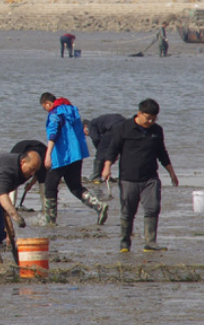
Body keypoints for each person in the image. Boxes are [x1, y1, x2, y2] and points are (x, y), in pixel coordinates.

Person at [101, 98, 179, 252]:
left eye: (154, 118)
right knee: (128, 212)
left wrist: (171, 173)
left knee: (153, 208)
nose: (150, 121)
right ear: (139, 113)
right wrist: (107, 167)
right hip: (128, 178)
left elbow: (162, 153)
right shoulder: (123, 128)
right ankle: (124, 243)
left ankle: (150, 243)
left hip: (150, 178)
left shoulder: (157, 131)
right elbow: (113, 149)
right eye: (148, 118)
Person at [39, 93, 108, 226]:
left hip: (62, 156)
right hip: (76, 154)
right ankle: (99, 205)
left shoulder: (55, 113)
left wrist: (48, 154)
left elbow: (53, 133)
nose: (46, 110)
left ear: (48, 103)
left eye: (44, 108)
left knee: (50, 187)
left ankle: (50, 221)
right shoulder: (72, 110)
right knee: (75, 186)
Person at [84, 113, 126, 182]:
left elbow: (95, 139)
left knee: (101, 152)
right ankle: (108, 175)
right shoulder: (99, 123)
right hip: (124, 124)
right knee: (116, 151)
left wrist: (99, 148)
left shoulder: (91, 125)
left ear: (85, 127)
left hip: (114, 126)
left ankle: (96, 176)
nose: (86, 135)